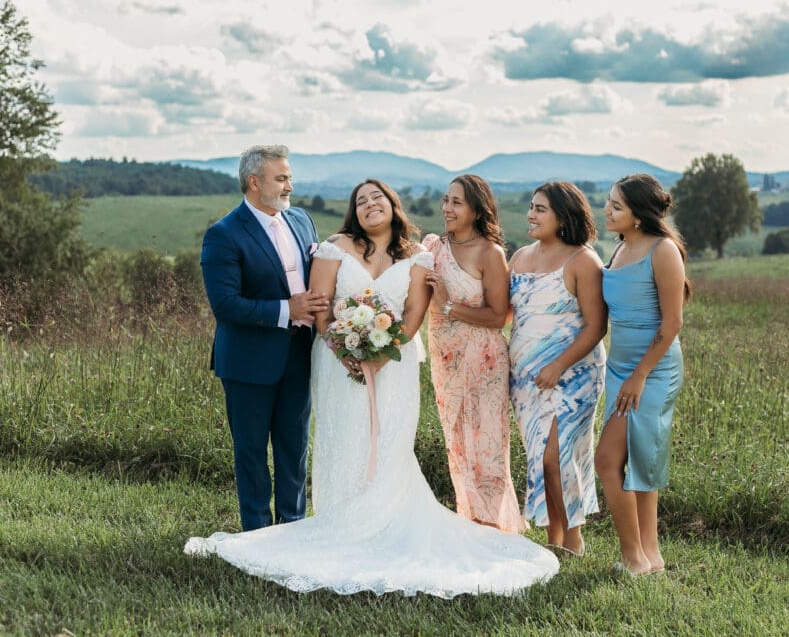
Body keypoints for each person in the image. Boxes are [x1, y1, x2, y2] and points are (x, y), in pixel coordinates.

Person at [185, 180, 558, 598]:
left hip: (395, 366)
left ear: (392, 205)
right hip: (337, 364)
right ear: (354, 212)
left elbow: (415, 312)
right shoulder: (333, 248)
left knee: (391, 445)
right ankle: (338, 519)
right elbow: (321, 307)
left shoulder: (418, 255)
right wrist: (342, 347)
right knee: (346, 439)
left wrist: (387, 349)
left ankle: (388, 521)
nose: (369, 205)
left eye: (376, 197)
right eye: (360, 201)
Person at [199, 145, 329, 532]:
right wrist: (288, 309)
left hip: (299, 355)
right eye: (281, 178)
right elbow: (226, 305)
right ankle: (257, 534)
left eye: (289, 176)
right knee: (252, 453)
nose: (290, 185)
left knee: (294, 449)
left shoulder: (302, 220)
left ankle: (292, 528)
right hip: (248, 362)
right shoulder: (223, 234)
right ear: (254, 182)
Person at [595, 173, 691, 577]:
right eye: (609, 202)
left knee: (607, 460)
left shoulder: (663, 250)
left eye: (617, 205)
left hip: (653, 369)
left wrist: (639, 376)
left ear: (638, 214)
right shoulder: (618, 250)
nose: (608, 210)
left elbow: (672, 324)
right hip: (619, 367)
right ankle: (650, 555)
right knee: (639, 460)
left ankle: (633, 557)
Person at [422, 175, 527, 533]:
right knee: (457, 445)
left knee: (486, 446)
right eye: (446, 200)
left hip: (483, 362)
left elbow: (498, 317)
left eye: (457, 203)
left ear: (477, 210)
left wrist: (448, 306)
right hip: (445, 361)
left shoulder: (490, 253)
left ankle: (493, 527)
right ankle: (469, 522)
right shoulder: (433, 248)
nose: (447, 209)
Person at [508, 181, 607, 557]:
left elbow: (596, 326)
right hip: (525, 380)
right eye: (531, 207)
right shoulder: (519, 257)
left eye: (540, 209)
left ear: (563, 216)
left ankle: (573, 539)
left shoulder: (584, 260)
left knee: (558, 456)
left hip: (573, 376)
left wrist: (557, 365)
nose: (531, 215)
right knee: (541, 457)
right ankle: (555, 537)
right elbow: (503, 312)